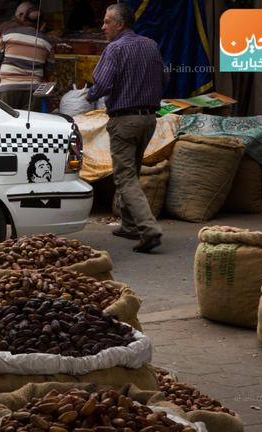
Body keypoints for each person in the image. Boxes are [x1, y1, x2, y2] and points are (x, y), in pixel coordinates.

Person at [85, 4, 169, 253]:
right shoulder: (151, 45)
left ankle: (149, 229)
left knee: (124, 177)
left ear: (120, 24)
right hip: (148, 120)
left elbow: (100, 85)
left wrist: (88, 94)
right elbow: (165, 78)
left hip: (125, 121)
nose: (103, 26)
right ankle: (130, 225)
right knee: (131, 172)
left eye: (107, 22)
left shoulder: (115, 48)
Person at [0, 7, 55, 111]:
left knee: (7, 119)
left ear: (23, 18)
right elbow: (49, 71)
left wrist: (6, 75)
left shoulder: (8, 35)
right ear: (41, 23)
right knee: (29, 120)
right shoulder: (46, 42)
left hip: (8, 88)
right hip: (33, 90)